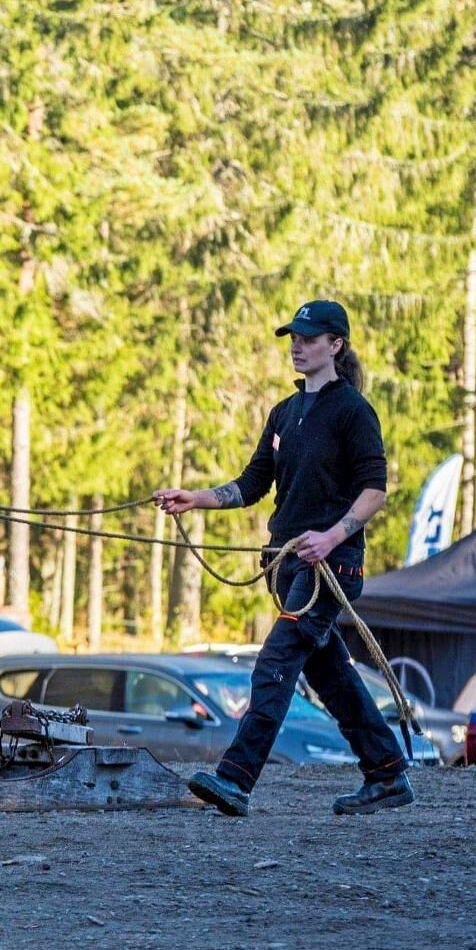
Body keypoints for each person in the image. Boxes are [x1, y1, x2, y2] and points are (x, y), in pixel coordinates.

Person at [154, 299, 413, 818]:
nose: (297, 346)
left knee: (274, 663)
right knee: (332, 676)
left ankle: (236, 778)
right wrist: (194, 498)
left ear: (335, 345)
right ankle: (386, 772)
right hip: (287, 564)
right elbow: (252, 484)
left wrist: (333, 537)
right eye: (293, 337)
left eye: (309, 338)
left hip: (329, 568)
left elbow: (375, 492)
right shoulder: (284, 413)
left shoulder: (354, 411)